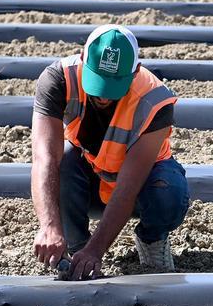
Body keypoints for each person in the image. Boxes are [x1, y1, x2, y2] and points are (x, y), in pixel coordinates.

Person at [31, 24, 189, 280]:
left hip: (142, 187)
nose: (103, 97)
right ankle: (75, 248)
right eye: (98, 83)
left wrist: (97, 250)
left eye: (112, 87)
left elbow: (128, 187)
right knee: (65, 161)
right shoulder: (59, 79)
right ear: (83, 59)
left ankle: (151, 239)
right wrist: (50, 227)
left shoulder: (155, 101)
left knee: (168, 191)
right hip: (91, 178)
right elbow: (44, 157)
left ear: (135, 71)